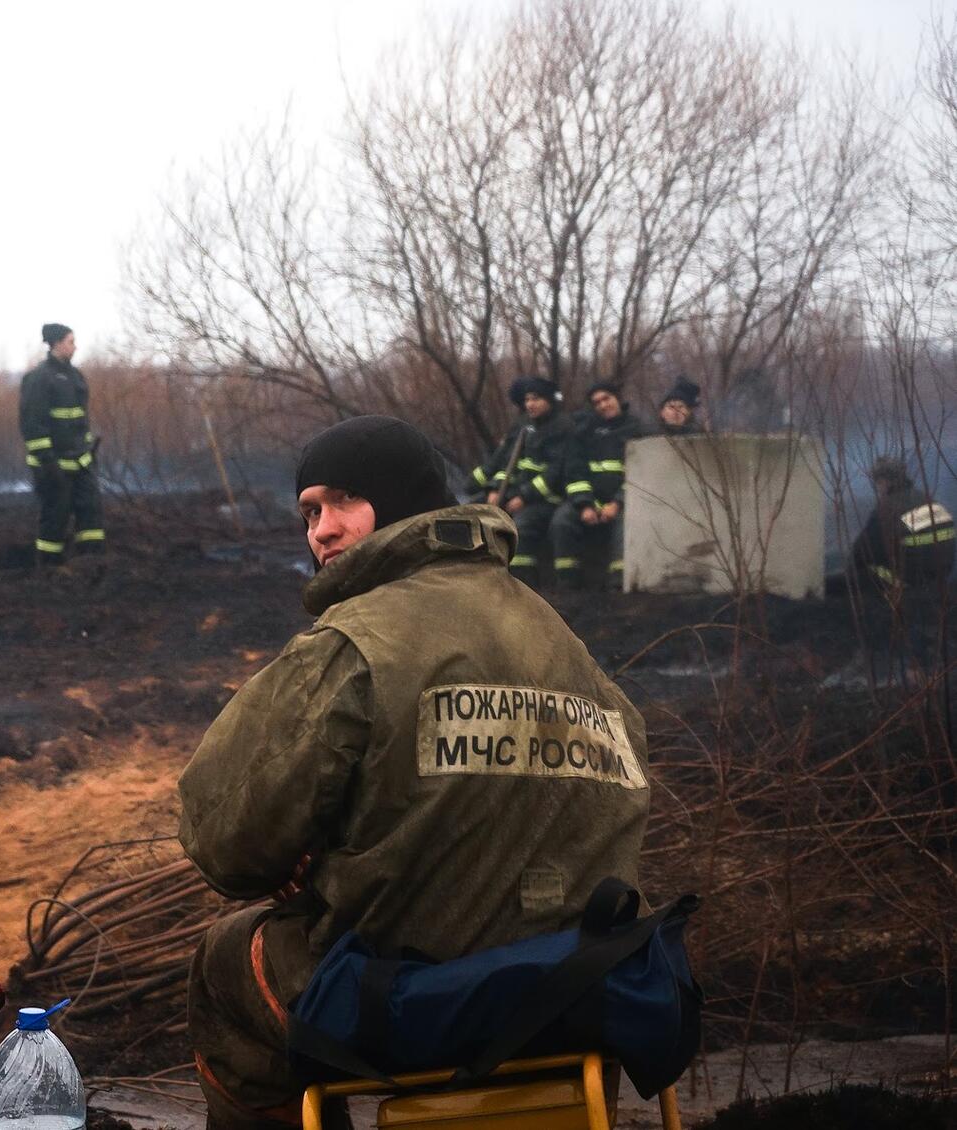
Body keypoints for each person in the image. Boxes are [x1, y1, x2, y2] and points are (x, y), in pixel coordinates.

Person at [179, 416, 650, 1130]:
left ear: (402, 504)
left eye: (342, 502)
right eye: (309, 512)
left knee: (223, 966)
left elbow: (226, 844)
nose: (322, 531)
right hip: (581, 998)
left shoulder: (353, 644)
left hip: (420, 1003)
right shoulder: (562, 641)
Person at [466, 376, 572, 586]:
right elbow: (510, 464)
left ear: (549, 400)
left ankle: (523, 586)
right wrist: (496, 489)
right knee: (471, 512)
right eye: (527, 399)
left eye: (535, 399)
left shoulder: (563, 427)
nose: (529, 404)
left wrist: (524, 496)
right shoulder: (526, 427)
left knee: (520, 527)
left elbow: (556, 471)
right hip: (519, 493)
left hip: (547, 499)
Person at [551, 381, 649, 590]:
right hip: (590, 499)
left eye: (607, 399)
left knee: (625, 525)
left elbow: (641, 476)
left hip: (626, 501)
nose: (603, 405)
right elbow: (574, 472)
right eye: (597, 403)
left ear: (618, 398)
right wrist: (586, 504)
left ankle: (619, 585)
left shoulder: (638, 430)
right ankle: (567, 584)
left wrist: (617, 503)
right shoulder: (584, 432)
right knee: (561, 521)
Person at [19, 323, 103, 565]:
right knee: (56, 514)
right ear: (56, 343)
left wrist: (89, 453)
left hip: (81, 461)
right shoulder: (39, 378)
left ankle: (91, 562)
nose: (75, 347)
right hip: (52, 465)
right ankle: (48, 566)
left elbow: (80, 422)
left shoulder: (75, 377)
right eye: (70, 341)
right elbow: (32, 424)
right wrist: (47, 461)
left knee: (91, 510)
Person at [852, 457, 955, 592]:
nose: (877, 488)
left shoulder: (889, 507)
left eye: (877, 482)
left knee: (861, 570)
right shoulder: (927, 499)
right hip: (941, 574)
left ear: (883, 481)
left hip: (909, 579)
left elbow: (862, 551)